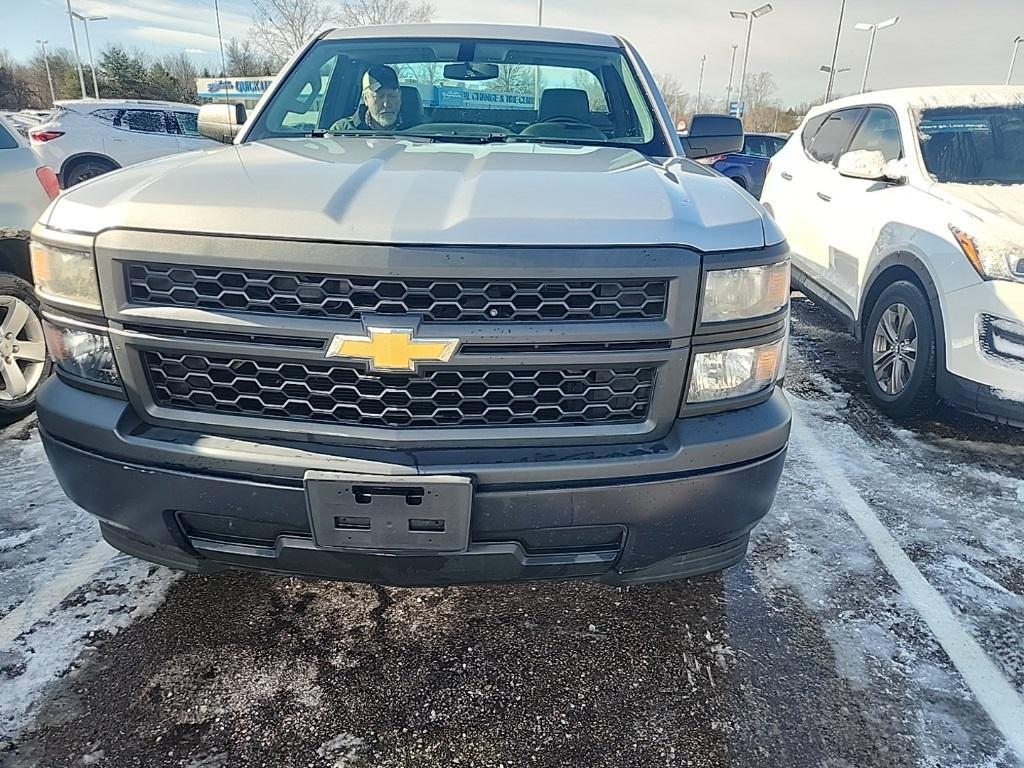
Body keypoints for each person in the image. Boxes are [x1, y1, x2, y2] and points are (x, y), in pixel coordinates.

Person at [330, 64, 406, 132]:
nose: (386, 104)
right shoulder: (342, 131)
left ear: (400, 97)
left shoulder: (415, 130)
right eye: (379, 96)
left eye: (392, 96)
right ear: (366, 99)